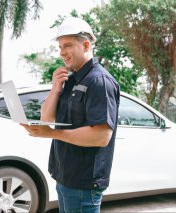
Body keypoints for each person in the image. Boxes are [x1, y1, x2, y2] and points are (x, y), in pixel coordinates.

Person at [21, 17, 120, 213]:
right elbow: (47, 119)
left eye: (67, 45)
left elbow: (101, 136)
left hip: (84, 185)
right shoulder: (71, 79)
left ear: (85, 45)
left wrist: (51, 133)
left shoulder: (99, 82)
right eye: (59, 46)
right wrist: (55, 89)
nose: (62, 52)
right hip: (65, 177)